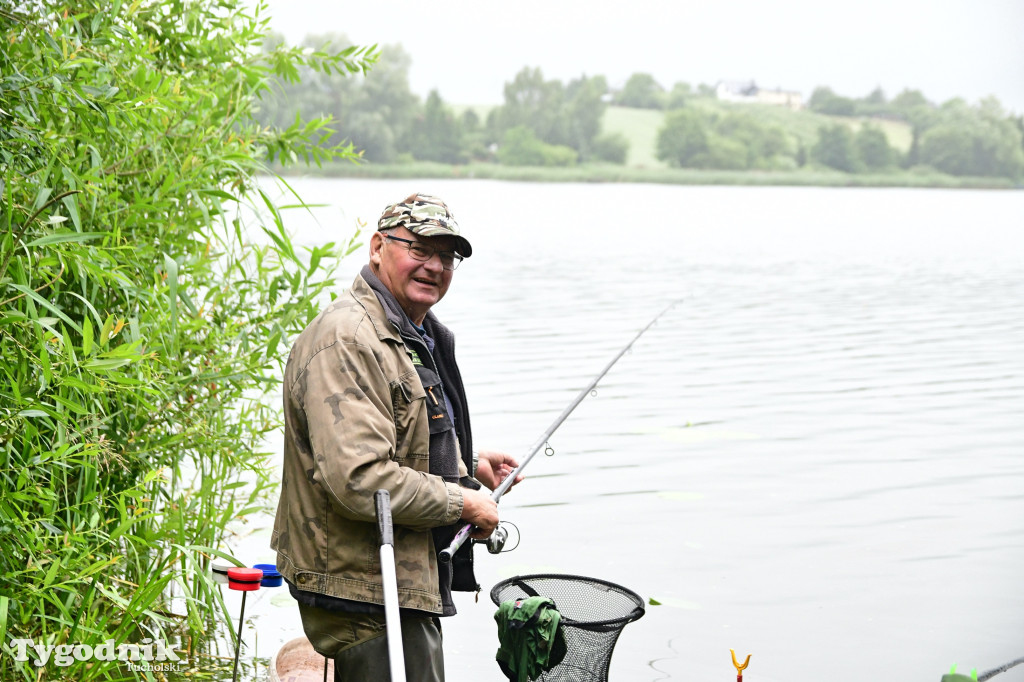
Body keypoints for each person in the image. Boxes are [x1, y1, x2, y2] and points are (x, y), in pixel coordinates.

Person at [272, 192, 521, 682]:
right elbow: (361, 478)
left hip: (391, 579)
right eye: (419, 249)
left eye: (447, 256)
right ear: (377, 248)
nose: (434, 266)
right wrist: (462, 503)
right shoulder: (347, 339)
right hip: (363, 589)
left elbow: (395, 435)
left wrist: (465, 466)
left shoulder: (405, 332)